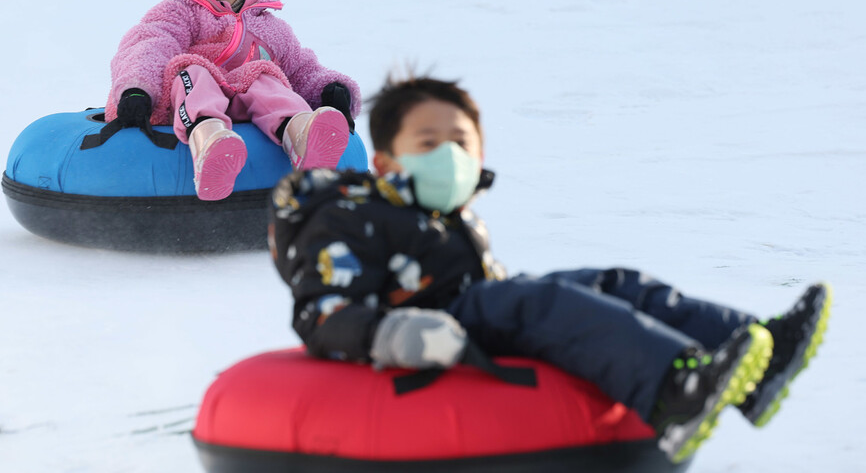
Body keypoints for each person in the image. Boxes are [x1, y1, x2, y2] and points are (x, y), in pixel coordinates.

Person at [268, 74, 831, 463]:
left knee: (608, 283)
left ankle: (754, 350)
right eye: (429, 141)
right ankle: (673, 392)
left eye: (462, 143)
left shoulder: (446, 216)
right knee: (540, 302)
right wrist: (389, 333)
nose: (450, 156)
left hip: (480, 311)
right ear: (387, 161)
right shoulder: (349, 215)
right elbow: (319, 311)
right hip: (433, 332)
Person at [104, 0, 360, 201]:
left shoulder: (269, 25)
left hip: (244, 104)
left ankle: (300, 135)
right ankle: (211, 144)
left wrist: (329, 90)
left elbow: (299, 66)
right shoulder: (180, 12)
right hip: (182, 102)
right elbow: (149, 44)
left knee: (264, 76)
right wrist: (137, 87)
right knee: (196, 70)